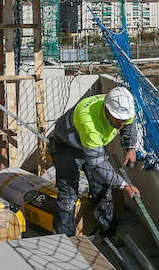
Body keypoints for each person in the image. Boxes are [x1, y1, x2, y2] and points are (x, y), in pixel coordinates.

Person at [50, 86, 143, 236]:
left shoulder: (124, 107)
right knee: (68, 196)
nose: (121, 124)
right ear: (107, 110)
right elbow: (97, 163)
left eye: (123, 120)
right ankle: (66, 240)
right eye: (118, 120)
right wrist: (123, 185)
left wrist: (130, 147)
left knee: (103, 189)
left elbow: (129, 125)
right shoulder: (89, 122)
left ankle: (107, 233)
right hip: (67, 146)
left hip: (94, 145)